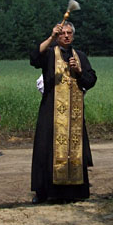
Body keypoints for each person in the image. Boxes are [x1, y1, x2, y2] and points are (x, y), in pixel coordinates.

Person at [30, 21, 97, 203]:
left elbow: (91, 80)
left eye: (69, 33)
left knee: (74, 150)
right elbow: (34, 58)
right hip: (51, 110)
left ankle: (74, 192)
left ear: (73, 36)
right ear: (58, 36)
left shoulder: (80, 55)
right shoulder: (51, 53)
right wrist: (51, 37)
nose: (66, 36)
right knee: (47, 149)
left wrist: (79, 70)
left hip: (74, 113)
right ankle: (45, 192)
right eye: (63, 33)